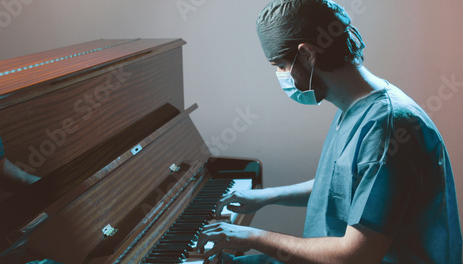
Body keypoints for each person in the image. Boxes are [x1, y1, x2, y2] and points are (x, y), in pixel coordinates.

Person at [197, 0, 462, 263]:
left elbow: (357, 256)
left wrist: (250, 237)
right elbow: (344, 185)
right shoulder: (356, 106)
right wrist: (266, 197)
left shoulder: (388, 127)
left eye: (280, 65)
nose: (280, 75)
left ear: (307, 54)